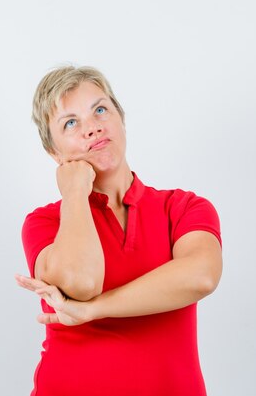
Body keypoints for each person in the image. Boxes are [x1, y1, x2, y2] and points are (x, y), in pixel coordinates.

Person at [15, 65, 223, 396]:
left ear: (120, 119)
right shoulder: (46, 223)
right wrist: (74, 192)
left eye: (100, 110)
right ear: (54, 152)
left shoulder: (183, 208)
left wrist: (93, 310)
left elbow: (200, 277)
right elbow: (82, 282)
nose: (93, 128)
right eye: (71, 123)